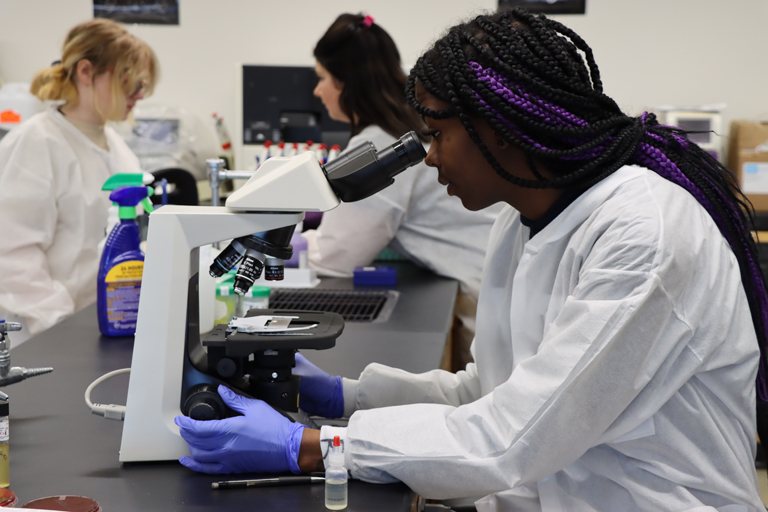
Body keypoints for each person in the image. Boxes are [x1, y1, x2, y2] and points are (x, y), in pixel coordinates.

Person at [175, 9, 766, 511]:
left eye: (436, 135)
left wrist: (308, 447)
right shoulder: (519, 220)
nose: (427, 159)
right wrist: (342, 396)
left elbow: (509, 439)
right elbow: (487, 393)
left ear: (499, 130)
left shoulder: (643, 237)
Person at [307, 13, 502, 371]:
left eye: (321, 78)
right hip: (486, 275)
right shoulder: (407, 123)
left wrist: (294, 246)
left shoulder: (379, 141)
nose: (317, 90)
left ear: (346, 82)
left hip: (474, 293)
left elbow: (336, 257)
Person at [0, 19, 158, 342]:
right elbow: (12, 254)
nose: (138, 94)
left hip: (106, 327)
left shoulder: (118, 148)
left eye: (142, 84)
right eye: (128, 80)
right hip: (45, 336)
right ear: (86, 72)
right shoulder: (37, 141)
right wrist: (60, 326)